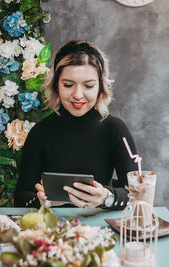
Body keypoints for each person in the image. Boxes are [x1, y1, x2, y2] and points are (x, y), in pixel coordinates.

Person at [14, 40, 138, 209]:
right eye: (68, 85)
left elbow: (139, 195)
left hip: (102, 231)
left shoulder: (115, 130)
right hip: (52, 232)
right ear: (56, 86)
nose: (78, 95)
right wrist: (41, 201)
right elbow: (21, 197)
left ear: (100, 87)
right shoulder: (40, 132)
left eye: (88, 86)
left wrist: (107, 198)